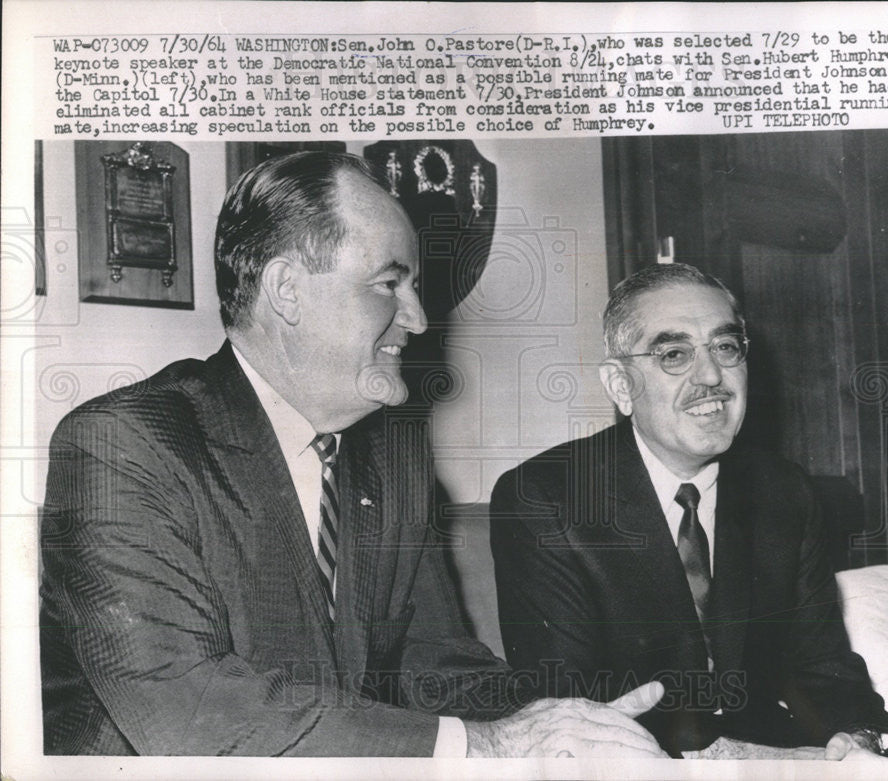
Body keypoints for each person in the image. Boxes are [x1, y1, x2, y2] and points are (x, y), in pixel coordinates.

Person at [38, 151, 667, 758]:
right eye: (389, 283)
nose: (418, 319)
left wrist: (569, 721)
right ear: (287, 290)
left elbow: (432, 661)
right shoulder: (122, 445)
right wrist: (486, 745)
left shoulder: (392, 456)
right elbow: (190, 711)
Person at [491, 262, 888, 761]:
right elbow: (568, 702)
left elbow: (822, 665)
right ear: (620, 385)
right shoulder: (546, 497)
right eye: (674, 354)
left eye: (725, 348)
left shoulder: (783, 490)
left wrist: (857, 737)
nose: (711, 377)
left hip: (783, 756)